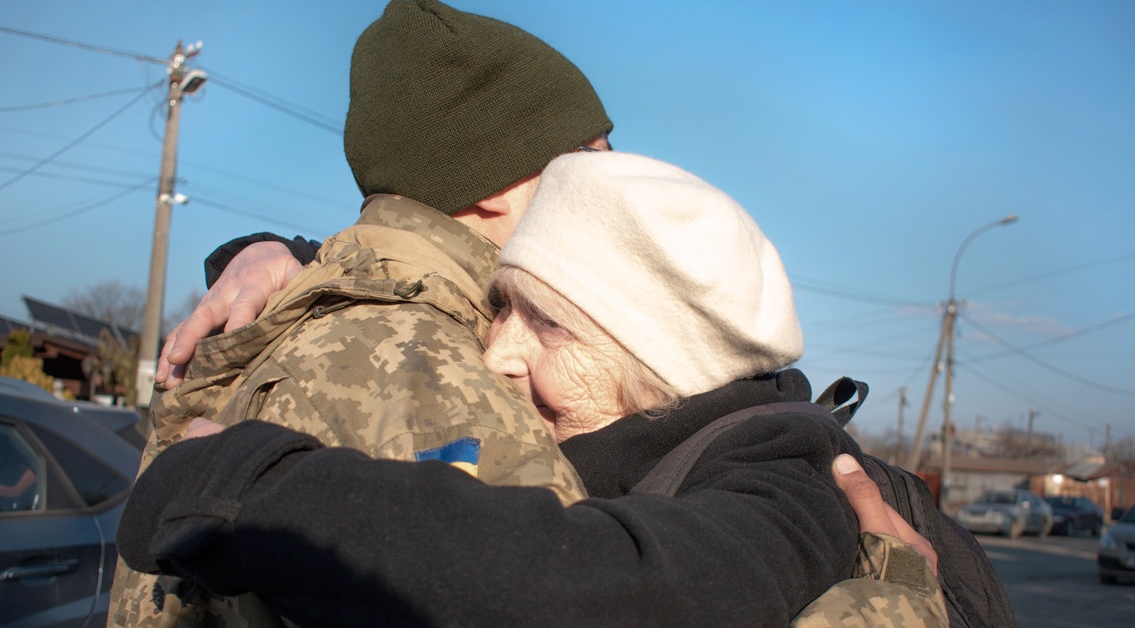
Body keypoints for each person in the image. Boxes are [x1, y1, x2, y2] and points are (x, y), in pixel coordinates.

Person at [118, 152, 949, 627]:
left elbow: (589, 588)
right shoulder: (636, 427)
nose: (496, 356)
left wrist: (242, 486)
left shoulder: (791, 489)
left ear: (662, 361)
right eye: (499, 307)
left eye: (547, 326)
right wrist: (284, 251)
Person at [108, 1, 612, 625]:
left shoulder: (291, 317)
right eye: (590, 157)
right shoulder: (448, 382)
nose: (611, 182)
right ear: (495, 185)